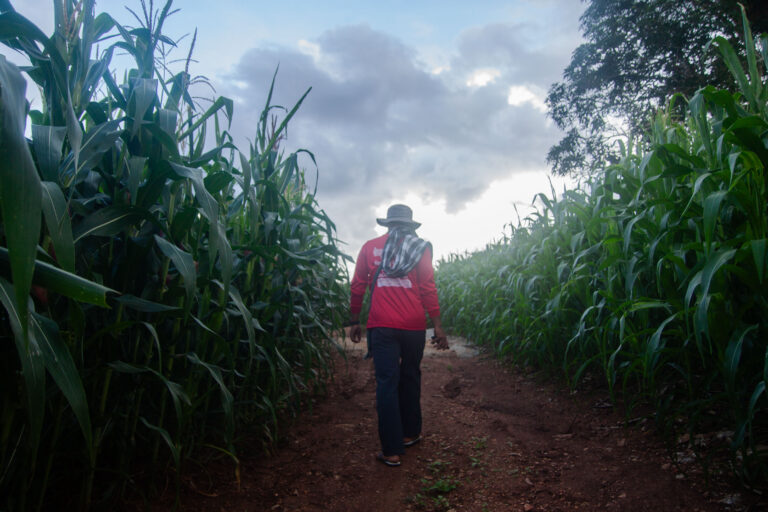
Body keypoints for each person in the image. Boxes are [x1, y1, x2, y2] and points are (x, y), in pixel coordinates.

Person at [348, 204, 449, 467]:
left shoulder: (370, 247)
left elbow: (358, 285)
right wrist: (437, 326)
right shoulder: (420, 248)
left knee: (386, 383)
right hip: (414, 327)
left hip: (381, 326)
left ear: (388, 225)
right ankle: (410, 433)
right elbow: (428, 288)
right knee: (411, 375)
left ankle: (391, 450)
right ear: (409, 225)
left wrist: (354, 319)